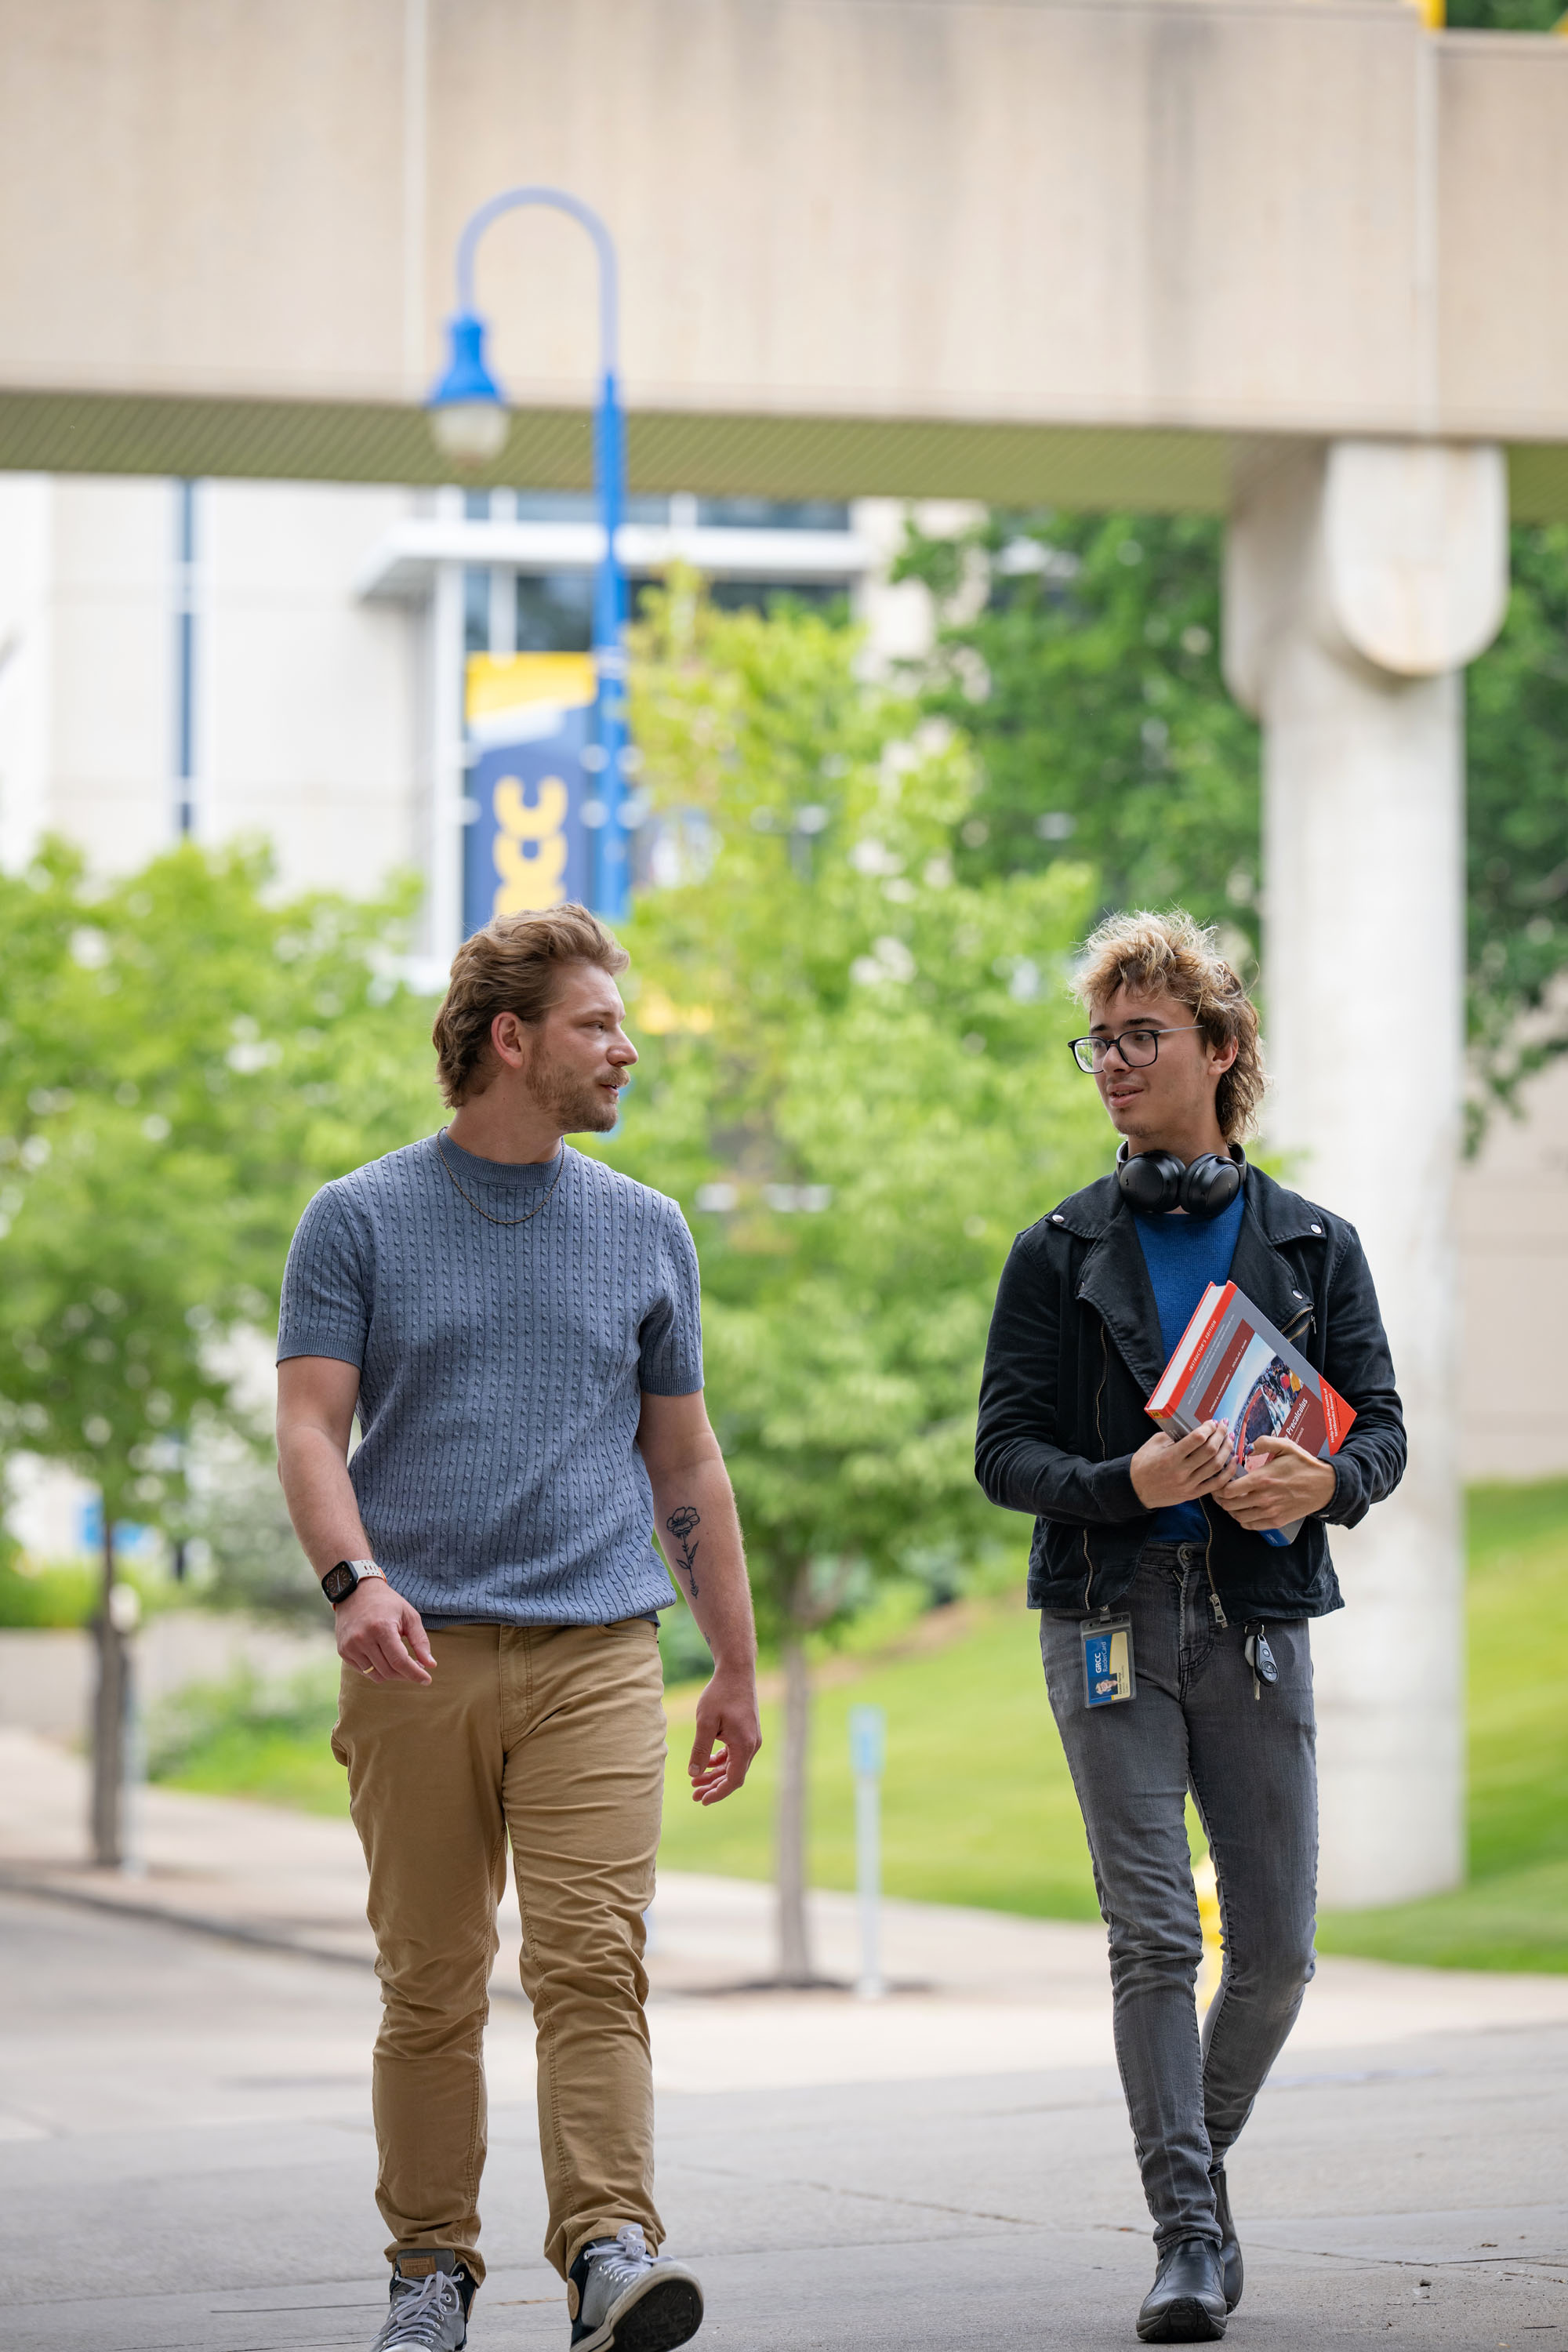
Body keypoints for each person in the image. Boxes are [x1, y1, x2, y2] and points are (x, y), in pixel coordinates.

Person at [276, 905, 761, 2352]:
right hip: (414, 1654)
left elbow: (686, 1463)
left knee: (593, 1962)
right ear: (510, 1038)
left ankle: (611, 2249)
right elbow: (310, 1427)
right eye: (598, 1024)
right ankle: (431, 2270)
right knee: (430, 1979)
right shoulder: (357, 1218)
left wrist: (733, 1662)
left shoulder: (646, 1229)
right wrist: (354, 1581)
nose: (624, 1049)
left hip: (599, 1652)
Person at [975, 910, 1405, 2345]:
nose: (1111, 1064)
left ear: (1222, 1050)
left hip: (1260, 1619)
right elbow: (1005, 1456)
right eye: (1098, 1040)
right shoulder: (1056, 1252)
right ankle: (1187, 2240)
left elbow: (1384, 1432)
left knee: (1275, 1951)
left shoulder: (1313, 1246)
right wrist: (1128, 1483)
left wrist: (1325, 1477)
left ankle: (1193, 2180)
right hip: (1106, 1619)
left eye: (1141, 1036)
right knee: (1155, 1935)